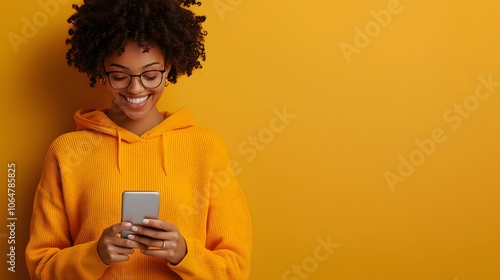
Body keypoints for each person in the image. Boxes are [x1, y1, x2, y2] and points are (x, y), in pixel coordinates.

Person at [25, 0, 253, 279]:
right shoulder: (66, 151)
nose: (135, 88)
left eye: (150, 74)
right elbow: (41, 266)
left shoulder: (207, 149)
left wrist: (184, 254)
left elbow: (236, 268)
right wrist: (94, 256)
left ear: (169, 69)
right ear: (101, 72)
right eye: (119, 76)